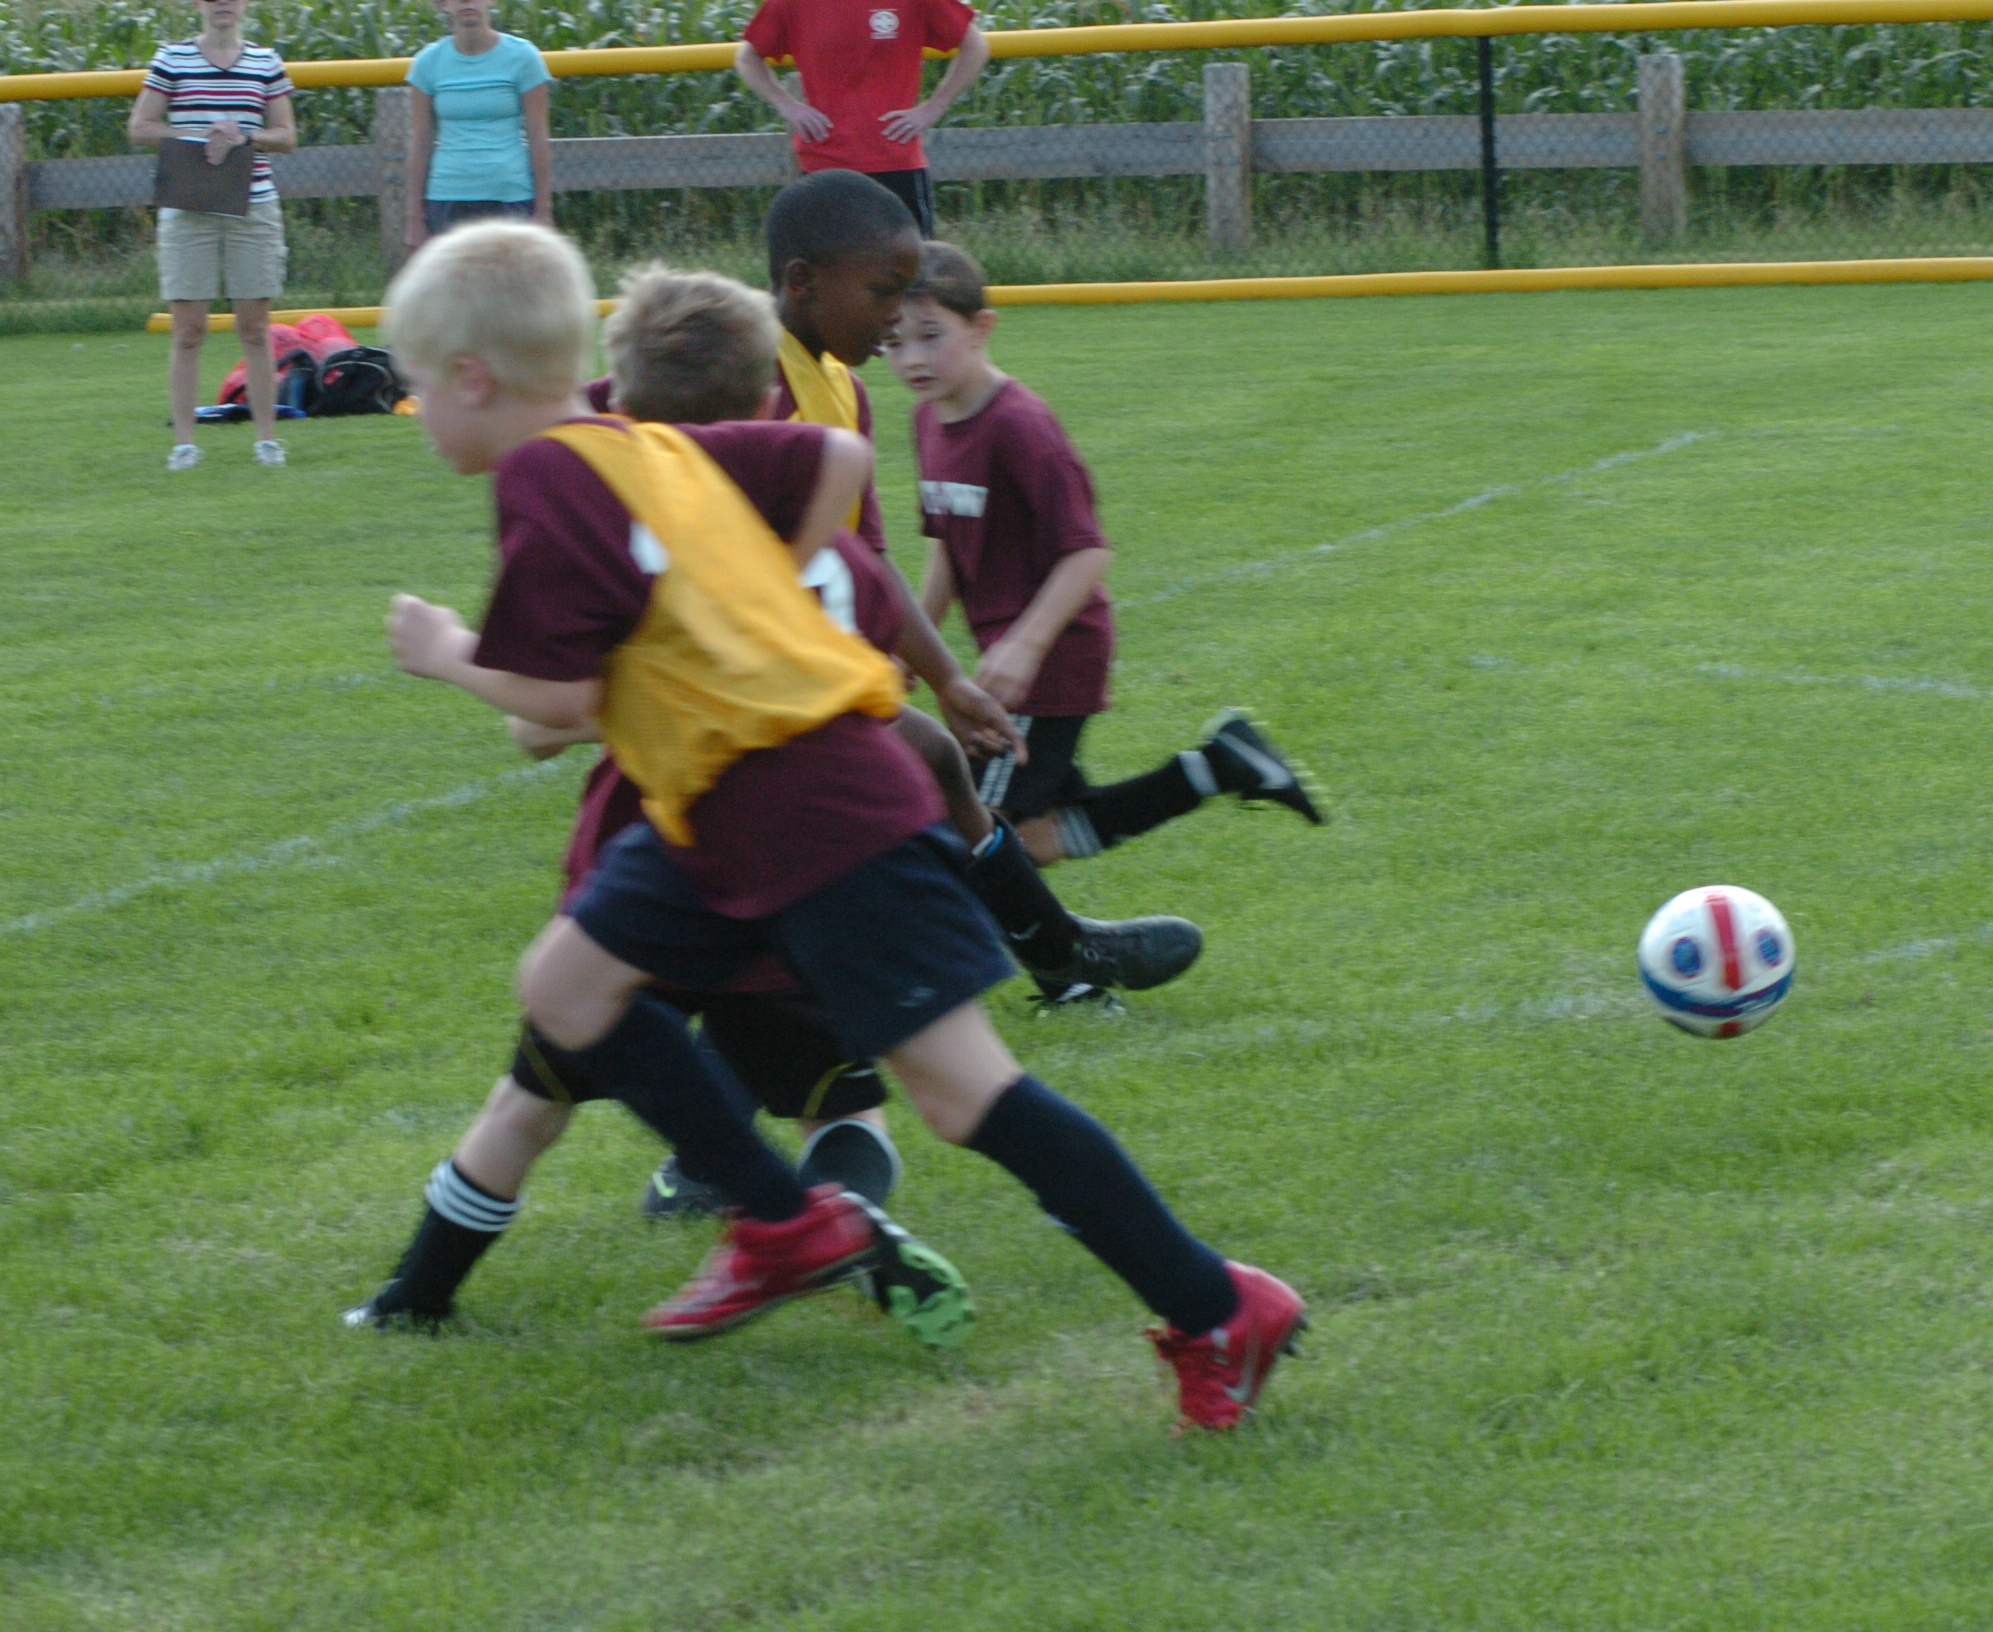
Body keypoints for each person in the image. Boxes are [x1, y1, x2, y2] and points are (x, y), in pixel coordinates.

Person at [381, 219, 1307, 1432]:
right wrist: (756, 598)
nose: (414, 413)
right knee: (564, 986)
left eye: (413, 385)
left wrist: (448, 651)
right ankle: (782, 1222)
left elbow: (554, 707)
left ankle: (1214, 1305)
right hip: (723, 800)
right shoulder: (640, 445)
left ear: (470, 377)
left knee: (964, 1093)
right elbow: (830, 458)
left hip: (810, 798)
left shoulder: (548, 473)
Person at [350, 265, 973, 1348]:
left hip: (655, 855)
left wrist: (455, 655)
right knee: (844, 1098)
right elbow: (882, 686)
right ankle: (839, 1215)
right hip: (800, 868)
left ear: (617, 395)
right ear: (768, 402)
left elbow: (552, 718)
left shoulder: (623, 508)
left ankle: (416, 1297)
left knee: (534, 1094)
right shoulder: (818, 543)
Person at [757, 171, 1201, 1009]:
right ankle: (1028, 960)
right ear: (804, 281)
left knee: (930, 773)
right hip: (757, 675)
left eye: (911, 303)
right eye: (884, 294)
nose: (895, 319)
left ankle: (1052, 956)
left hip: (819, 668)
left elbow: (868, 556)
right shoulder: (748, 380)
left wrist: (945, 678)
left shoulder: (845, 390)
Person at [886, 241, 1326, 867]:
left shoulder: (1020, 426)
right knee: (1034, 839)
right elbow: (948, 548)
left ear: (981, 327)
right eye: (893, 341)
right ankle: (1218, 766)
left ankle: (1034, 945)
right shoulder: (928, 422)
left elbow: (1087, 552)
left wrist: (1025, 645)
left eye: (930, 336)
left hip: (1054, 657)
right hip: (1008, 662)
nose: (912, 358)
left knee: (976, 832)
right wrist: (912, 646)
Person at [127, 0, 298, 472]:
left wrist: (246, 137)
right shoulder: (173, 58)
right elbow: (139, 127)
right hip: (189, 205)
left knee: (255, 328)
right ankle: (184, 445)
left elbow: (286, 135)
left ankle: (267, 441)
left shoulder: (265, 61)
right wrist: (199, 134)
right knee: (188, 330)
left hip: (253, 205)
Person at [734, 0, 988, 236]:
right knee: (827, 265)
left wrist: (932, 109)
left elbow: (975, 46)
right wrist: (787, 105)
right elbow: (747, 57)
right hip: (823, 163)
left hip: (895, 159)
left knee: (913, 265)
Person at [404, 0, 553, 253]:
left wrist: (543, 211)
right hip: (446, 198)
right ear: (443, 4)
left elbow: (538, 137)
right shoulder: (427, 63)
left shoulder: (524, 57)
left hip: (510, 196)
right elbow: (420, 142)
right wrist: (414, 218)